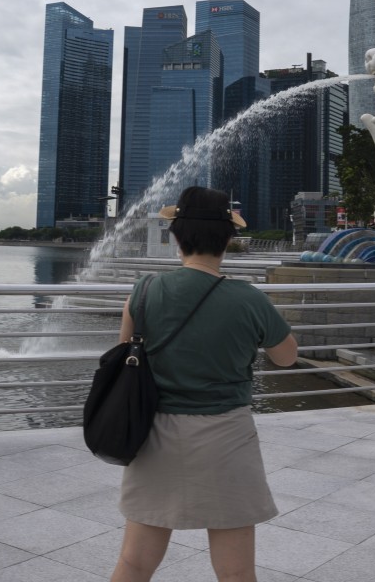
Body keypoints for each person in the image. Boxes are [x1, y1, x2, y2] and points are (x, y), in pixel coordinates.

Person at [109, 187, 298, 582]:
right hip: (227, 434)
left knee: (135, 562)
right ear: (229, 238)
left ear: (176, 237)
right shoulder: (249, 299)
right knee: (235, 572)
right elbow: (286, 356)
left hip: (155, 433)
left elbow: (125, 354)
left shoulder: (143, 292)